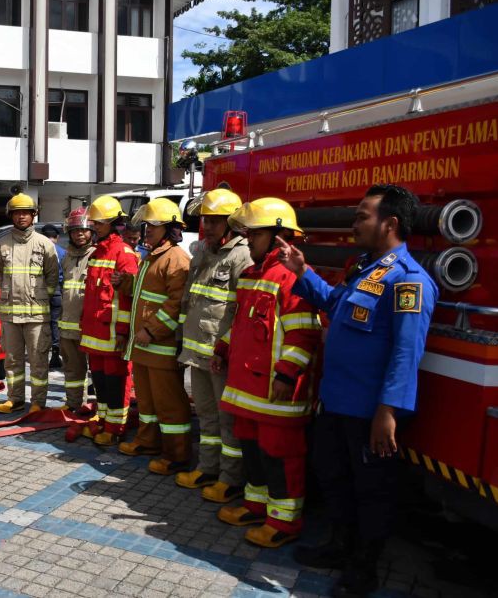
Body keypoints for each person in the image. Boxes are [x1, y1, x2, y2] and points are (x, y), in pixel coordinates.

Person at [279, 185, 437, 597]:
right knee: (334, 478)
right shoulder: (367, 270)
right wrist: (302, 272)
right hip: (337, 401)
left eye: (363, 215)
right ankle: (340, 546)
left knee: (372, 492)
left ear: (391, 223)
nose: (354, 222)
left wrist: (388, 412)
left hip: (369, 411)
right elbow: (335, 305)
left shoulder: (408, 281)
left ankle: (363, 570)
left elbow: (406, 351)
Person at [212, 198, 321, 548]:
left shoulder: (291, 279)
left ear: (278, 237)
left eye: (254, 236)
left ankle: (284, 523)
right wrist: (224, 346)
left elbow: (304, 333)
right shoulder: (251, 275)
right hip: (248, 388)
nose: (247, 242)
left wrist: (287, 375)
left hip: (277, 392)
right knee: (253, 450)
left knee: (279, 457)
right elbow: (243, 325)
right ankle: (256, 504)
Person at [175, 189, 254, 503]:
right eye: (205, 219)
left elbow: (241, 312)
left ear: (232, 223)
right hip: (197, 353)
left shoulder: (241, 256)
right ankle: (208, 469)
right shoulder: (203, 252)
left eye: (216, 220)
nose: (207, 226)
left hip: (222, 356)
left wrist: (225, 348)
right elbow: (190, 302)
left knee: (227, 420)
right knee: (206, 416)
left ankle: (231, 479)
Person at [117, 199, 192, 475]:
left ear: (170, 228)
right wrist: (125, 283)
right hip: (145, 347)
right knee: (147, 403)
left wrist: (152, 330)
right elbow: (144, 292)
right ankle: (148, 441)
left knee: (169, 404)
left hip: (160, 346)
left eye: (154, 225)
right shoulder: (152, 256)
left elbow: (176, 304)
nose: (147, 230)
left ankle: (177, 455)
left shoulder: (177, 259)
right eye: (147, 224)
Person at [0, 193, 59, 414]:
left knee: (38, 361)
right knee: (12, 360)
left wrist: (39, 298)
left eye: (26, 213)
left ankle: (38, 402)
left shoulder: (45, 244)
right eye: (17, 213)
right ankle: (15, 399)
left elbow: (52, 277)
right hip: (10, 316)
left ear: (33, 215)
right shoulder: (1, 245)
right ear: (11, 215)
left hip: (37, 315)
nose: (21, 217)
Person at [79, 195, 139, 446]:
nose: (94, 227)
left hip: (114, 334)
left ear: (114, 223)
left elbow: (128, 300)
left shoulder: (124, 254)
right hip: (95, 332)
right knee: (101, 381)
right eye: (94, 223)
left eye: (99, 223)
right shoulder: (97, 253)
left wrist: (124, 333)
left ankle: (116, 427)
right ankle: (102, 419)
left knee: (117, 382)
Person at [56, 208, 95, 414]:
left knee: (96, 370)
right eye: (75, 231)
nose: (79, 234)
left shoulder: (97, 255)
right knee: (72, 367)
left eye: (84, 230)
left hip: (89, 325)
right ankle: (73, 404)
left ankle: (94, 407)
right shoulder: (68, 257)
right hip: (67, 324)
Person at [40, 223, 66, 369]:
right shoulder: (62, 252)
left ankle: (40, 354)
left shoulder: (38, 250)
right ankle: (55, 355)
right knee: (55, 323)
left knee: (40, 322)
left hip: (39, 291)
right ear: (56, 237)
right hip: (57, 290)